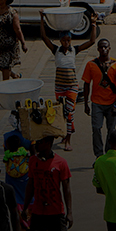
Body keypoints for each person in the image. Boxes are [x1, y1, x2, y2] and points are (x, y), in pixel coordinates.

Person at [37, 13, 97, 149]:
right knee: (61, 112)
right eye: (64, 40)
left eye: (68, 40)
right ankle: (65, 135)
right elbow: (43, 37)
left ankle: (68, 139)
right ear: (60, 41)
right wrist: (42, 19)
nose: (66, 42)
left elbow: (91, 41)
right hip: (59, 87)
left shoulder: (74, 50)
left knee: (69, 112)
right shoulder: (56, 50)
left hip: (71, 87)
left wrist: (93, 24)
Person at [25, 136, 73, 231]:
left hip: (55, 212)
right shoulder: (33, 160)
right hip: (38, 212)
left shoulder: (61, 163)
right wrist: (25, 206)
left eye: (40, 142)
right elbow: (30, 186)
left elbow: (66, 189)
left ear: (49, 143)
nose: (36, 144)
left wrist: (69, 212)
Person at [83, 38, 116, 157]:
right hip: (96, 103)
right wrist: (86, 103)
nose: (103, 49)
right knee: (96, 129)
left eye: (105, 47)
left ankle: (109, 154)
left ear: (109, 48)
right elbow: (86, 83)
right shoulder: (91, 65)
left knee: (111, 131)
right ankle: (98, 155)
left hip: (111, 103)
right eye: (101, 47)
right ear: (97, 49)